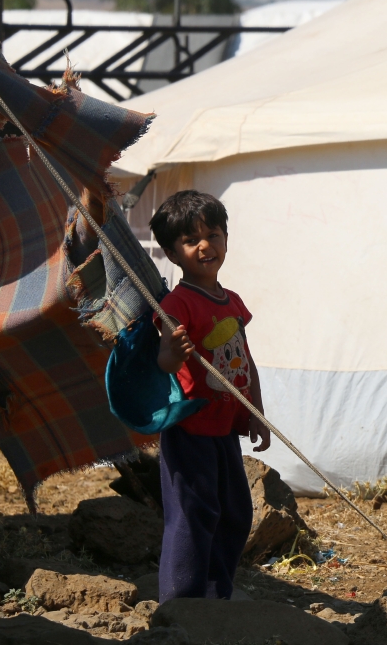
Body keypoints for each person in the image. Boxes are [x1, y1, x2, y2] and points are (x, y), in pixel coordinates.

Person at [149, 189, 271, 602]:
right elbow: (165, 363)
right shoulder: (176, 303)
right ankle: (181, 603)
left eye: (214, 234)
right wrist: (171, 352)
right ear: (172, 253)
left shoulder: (231, 300)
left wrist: (257, 412)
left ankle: (217, 595)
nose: (206, 246)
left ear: (225, 238)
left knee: (236, 514)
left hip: (224, 429)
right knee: (192, 515)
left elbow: (244, 359)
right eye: (191, 240)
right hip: (191, 428)